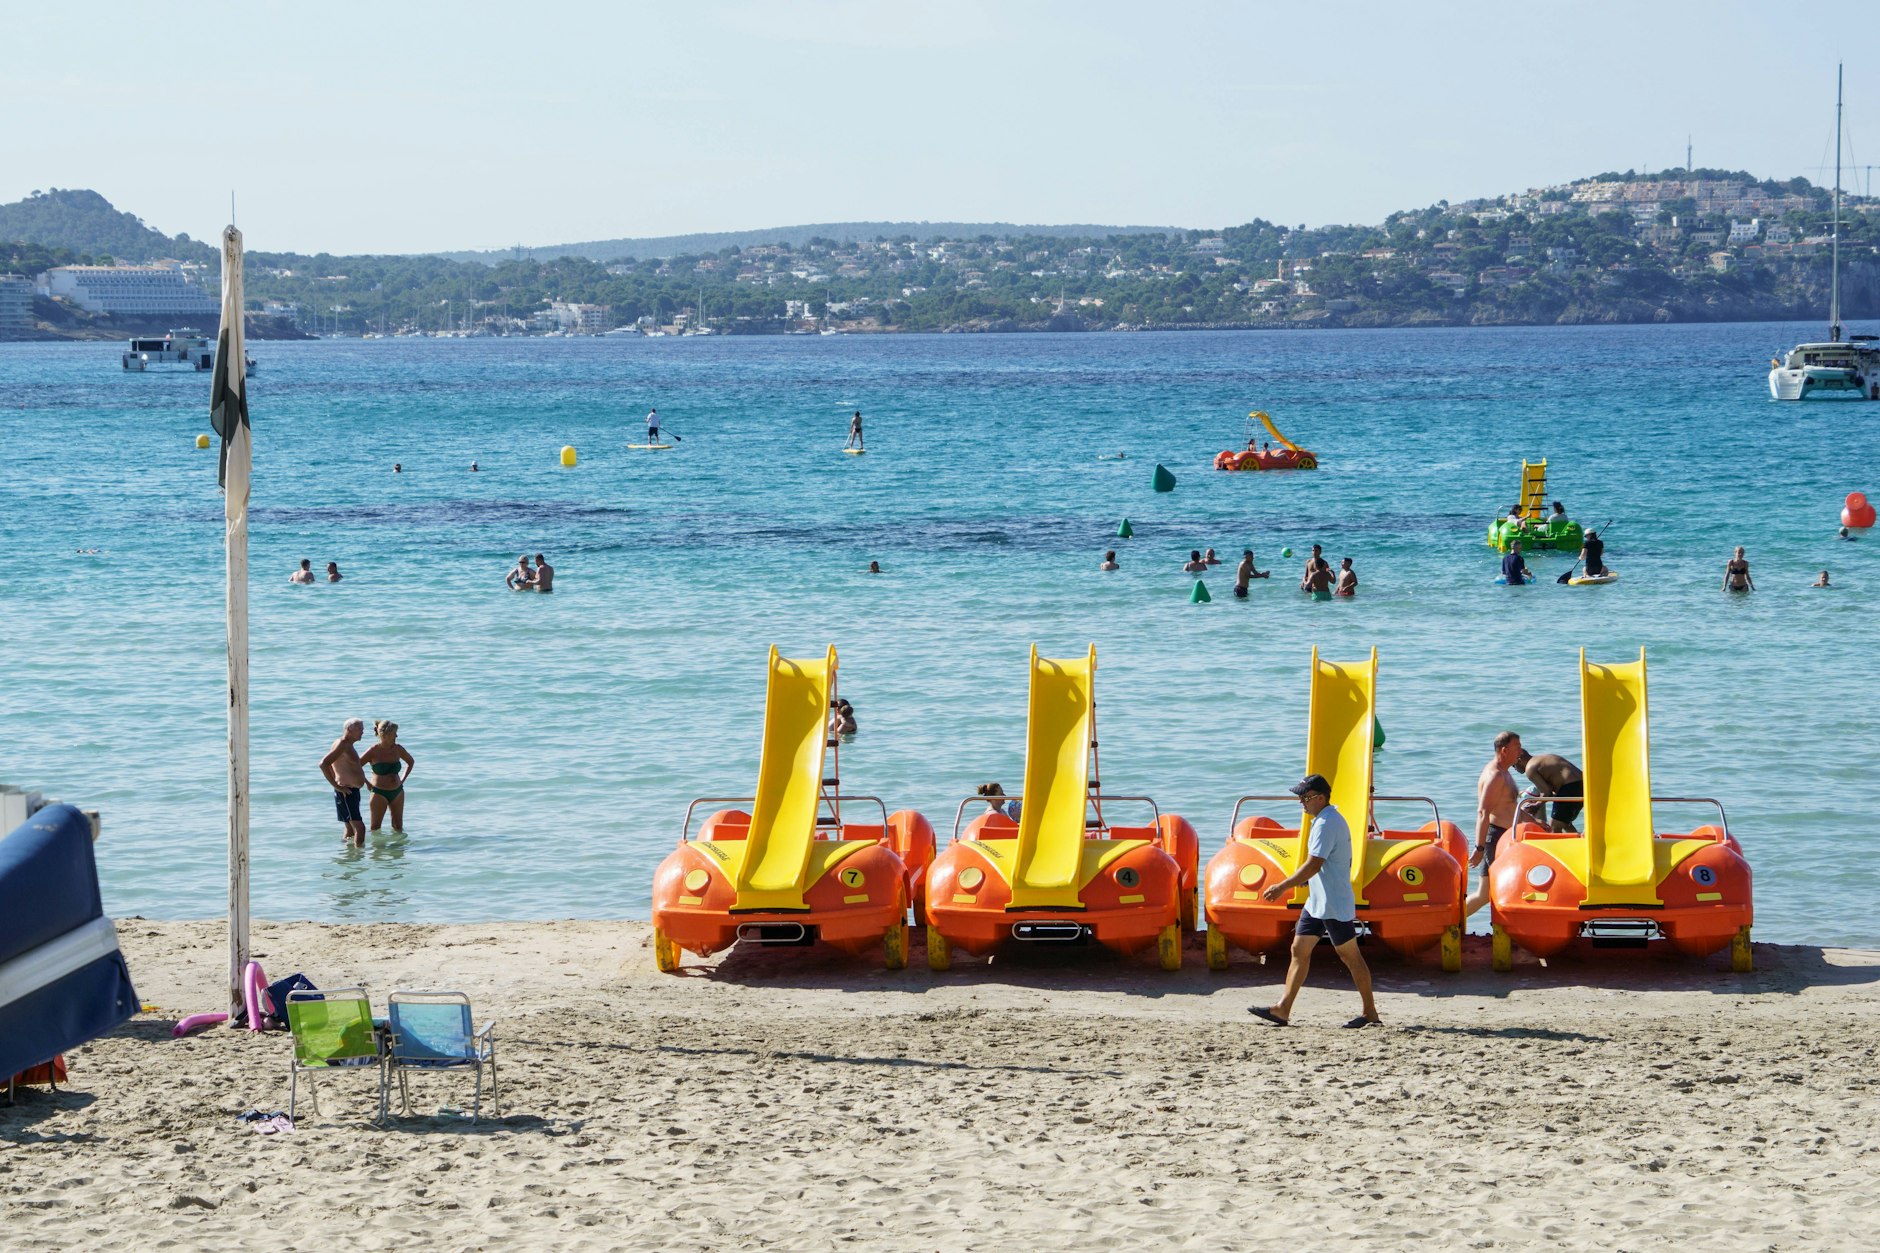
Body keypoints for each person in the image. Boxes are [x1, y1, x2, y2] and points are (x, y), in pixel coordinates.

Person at [1248, 774, 1380, 1029]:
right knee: (1298, 950)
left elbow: (1314, 863)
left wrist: (1282, 886)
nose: (1302, 803)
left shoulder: (1326, 823)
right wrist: (1308, 881)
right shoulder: (1325, 819)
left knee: (1350, 956)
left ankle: (1370, 1013)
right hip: (1317, 901)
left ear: (1321, 798)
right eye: (1300, 799)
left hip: (1332, 903)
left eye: (1306, 798)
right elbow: (1322, 864)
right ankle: (1282, 1009)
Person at [1464, 731, 1523, 917]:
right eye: (1517, 747)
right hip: (1495, 838)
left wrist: (1535, 821)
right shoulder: (1495, 775)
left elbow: (1511, 807)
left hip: (1503, 836)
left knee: (1483, 894)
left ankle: (1448, 923)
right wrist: (1479, 848)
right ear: (1504, 750)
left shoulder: (1505, 772)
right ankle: (1506, 933)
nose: (1520, 751)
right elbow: (1483, 812)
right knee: (1503, 890)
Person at [358, 719, 414, 834]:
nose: (396, 736)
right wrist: (367, 783)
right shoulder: (373, 751)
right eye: (394, 734)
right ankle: (377, 851)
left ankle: (397, 851)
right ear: (385, 735)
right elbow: (355, 767)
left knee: (398, 827)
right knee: (375, 828)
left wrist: (402, 780)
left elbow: (411, 762)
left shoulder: (398, 749)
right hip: (379, 792)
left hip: (397, 792)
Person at [319, 719, 368, 847]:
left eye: (362, 729)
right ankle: (358, 858)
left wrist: (366, 782)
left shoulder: (347, 745)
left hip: (351, 790)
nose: (362, 732)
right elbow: (324, 764)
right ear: (349, 729)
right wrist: (337, 786)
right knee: (360, 828)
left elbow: (335, 765)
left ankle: (347, 856)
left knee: (350, 828)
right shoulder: (342, 744)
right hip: (347, 791)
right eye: (359, 729)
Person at [1515, 743, 1584, 833]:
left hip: (1570, 787)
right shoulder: (1544, 758)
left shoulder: (1530, 769)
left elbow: (1547, 793)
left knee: (1554, 826)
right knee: (1565, 823)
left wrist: (1537, 805)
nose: (1515, 769)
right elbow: (1553, 788)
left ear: (1519, 760)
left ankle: (1558, 847)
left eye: (1513, 765)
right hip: (1583, 784)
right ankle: (1577, 842)